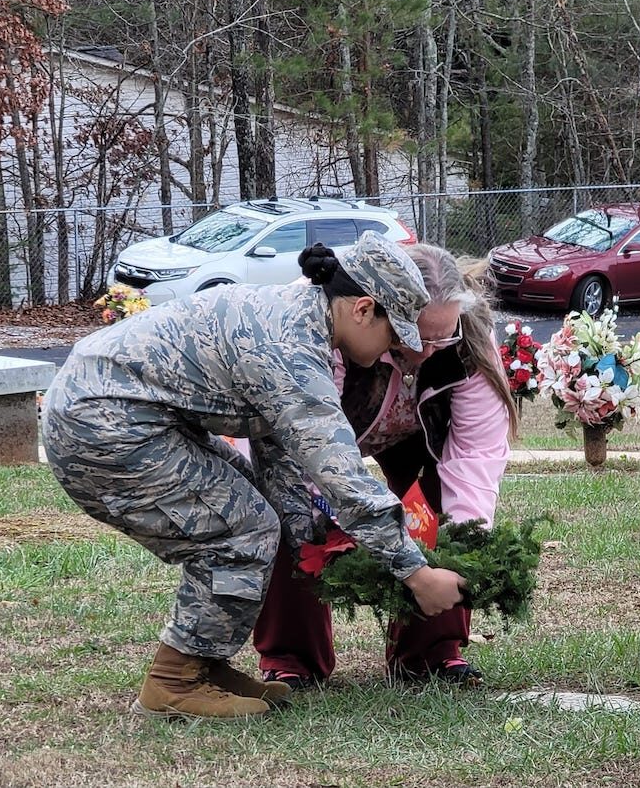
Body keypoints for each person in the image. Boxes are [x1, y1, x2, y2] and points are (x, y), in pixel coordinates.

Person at [42, 231, 466, 720]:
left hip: (133, 416)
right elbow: (342, 475)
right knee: (243, 527)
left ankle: (204, 666)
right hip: (104, 424)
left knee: (259, 515)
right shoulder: (291, 348)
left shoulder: (300, 320)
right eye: (394, 335)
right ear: (363, 309)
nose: (397, 349)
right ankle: (174, 681)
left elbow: (280, 453)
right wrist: (416, 573)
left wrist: (308, 537)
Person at [254, 243, 519, 688]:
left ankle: (430, 655)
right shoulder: (320, 323)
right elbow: (308, 455)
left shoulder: (470, 337)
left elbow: (474, 457)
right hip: (326, 428)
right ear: (374, 309)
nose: (430, 351)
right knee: (294, 510)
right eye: (418, 336)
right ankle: (292, 659)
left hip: (417, 433)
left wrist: (464, 543)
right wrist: (336, 519)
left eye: (442, 338)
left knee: (441, 509)